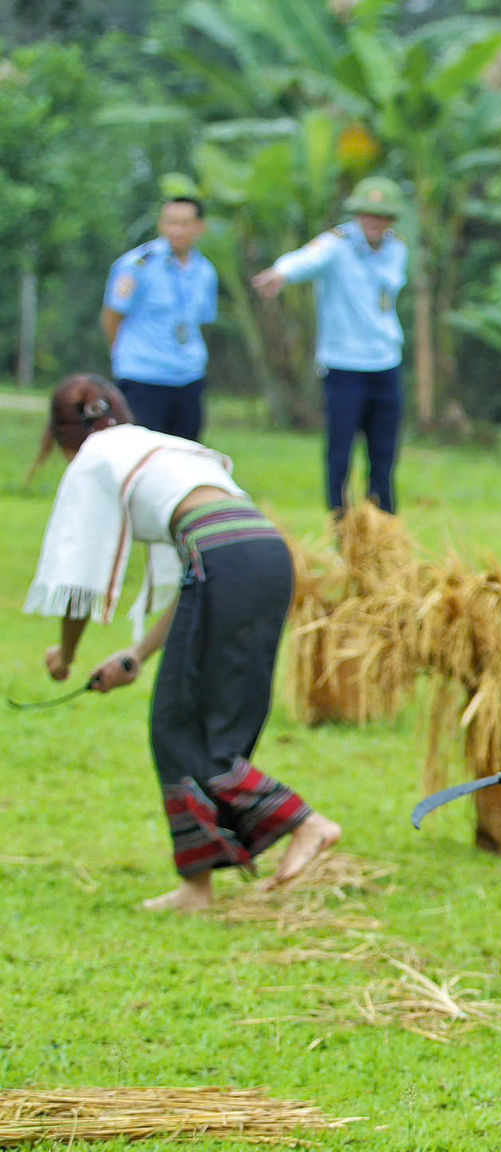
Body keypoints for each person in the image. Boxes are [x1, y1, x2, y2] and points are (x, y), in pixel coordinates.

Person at [22, 376, 343, 911]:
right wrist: (136, 656)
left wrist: (66, 656)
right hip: (267, 554)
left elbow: (80, 579)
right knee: (208, 726)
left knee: (177, 728)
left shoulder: (94, 458)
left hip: (224, 560)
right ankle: (201, 881)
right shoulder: (159, 446)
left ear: (62, 436)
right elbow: (196, 574)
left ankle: (299, 824)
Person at [251, 176, 409, 515]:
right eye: (366, 213)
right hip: (344, 365)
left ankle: (384, 523)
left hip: (385, 361)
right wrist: (280, 273)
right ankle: (340, 521)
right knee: (340, 451)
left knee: (384, 452)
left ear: (391, 219)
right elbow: (304, 259)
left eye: (380, 215)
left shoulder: (398, 249)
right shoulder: (336, 245)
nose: (372, 221)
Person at [101, 196, 217, 443]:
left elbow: (201, 322)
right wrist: (123, 355)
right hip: (143, 376)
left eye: (184, 223)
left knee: (186, 453)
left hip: (189, 375)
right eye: (170, 222)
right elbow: (112, 316)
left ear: (199, 227)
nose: (176, 230)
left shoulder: (205, 271)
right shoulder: (137, 265)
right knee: (142, 453)